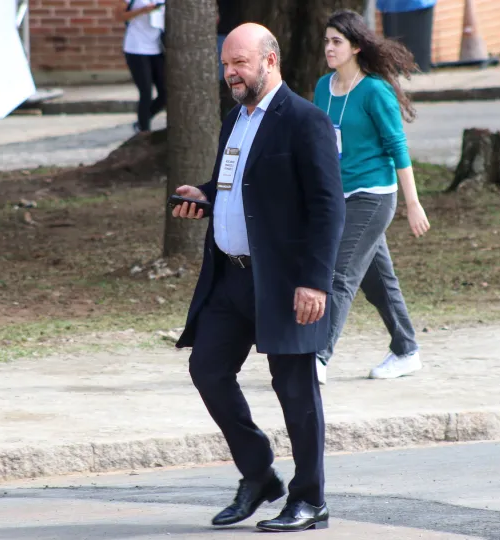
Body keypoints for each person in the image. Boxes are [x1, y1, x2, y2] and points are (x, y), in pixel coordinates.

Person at [171, 23, 345, 533]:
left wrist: (315, 281)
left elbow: (328, 207)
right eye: (225, 64)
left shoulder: (305, 121)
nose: (230, 73)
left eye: (239, 63)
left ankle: (310, 500)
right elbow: (237, 184)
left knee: (295, 390)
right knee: (207, 370)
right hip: (230, 278)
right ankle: (260, 475)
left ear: (270, 61)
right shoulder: (235, 119)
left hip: (287, 282)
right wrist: (205, 196)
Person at [312, 10, 431, 384]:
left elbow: (397, 147)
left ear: (356, 47)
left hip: (373, 195)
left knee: (340, 273)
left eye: (337, 41)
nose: (329, 47)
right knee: (378, 280)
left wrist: (413, 203)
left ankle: (317, 357)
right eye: (327, 41)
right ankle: (407, 350)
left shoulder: (375, 90)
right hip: (340, 196)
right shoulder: (323, 88)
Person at [115, 0, 167, 133]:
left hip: (157, 48)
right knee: (146, 92)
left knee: (165, 92)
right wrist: (142, 11)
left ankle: (142, 121)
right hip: (136, 48)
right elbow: (119, 16)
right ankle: (144, 131)